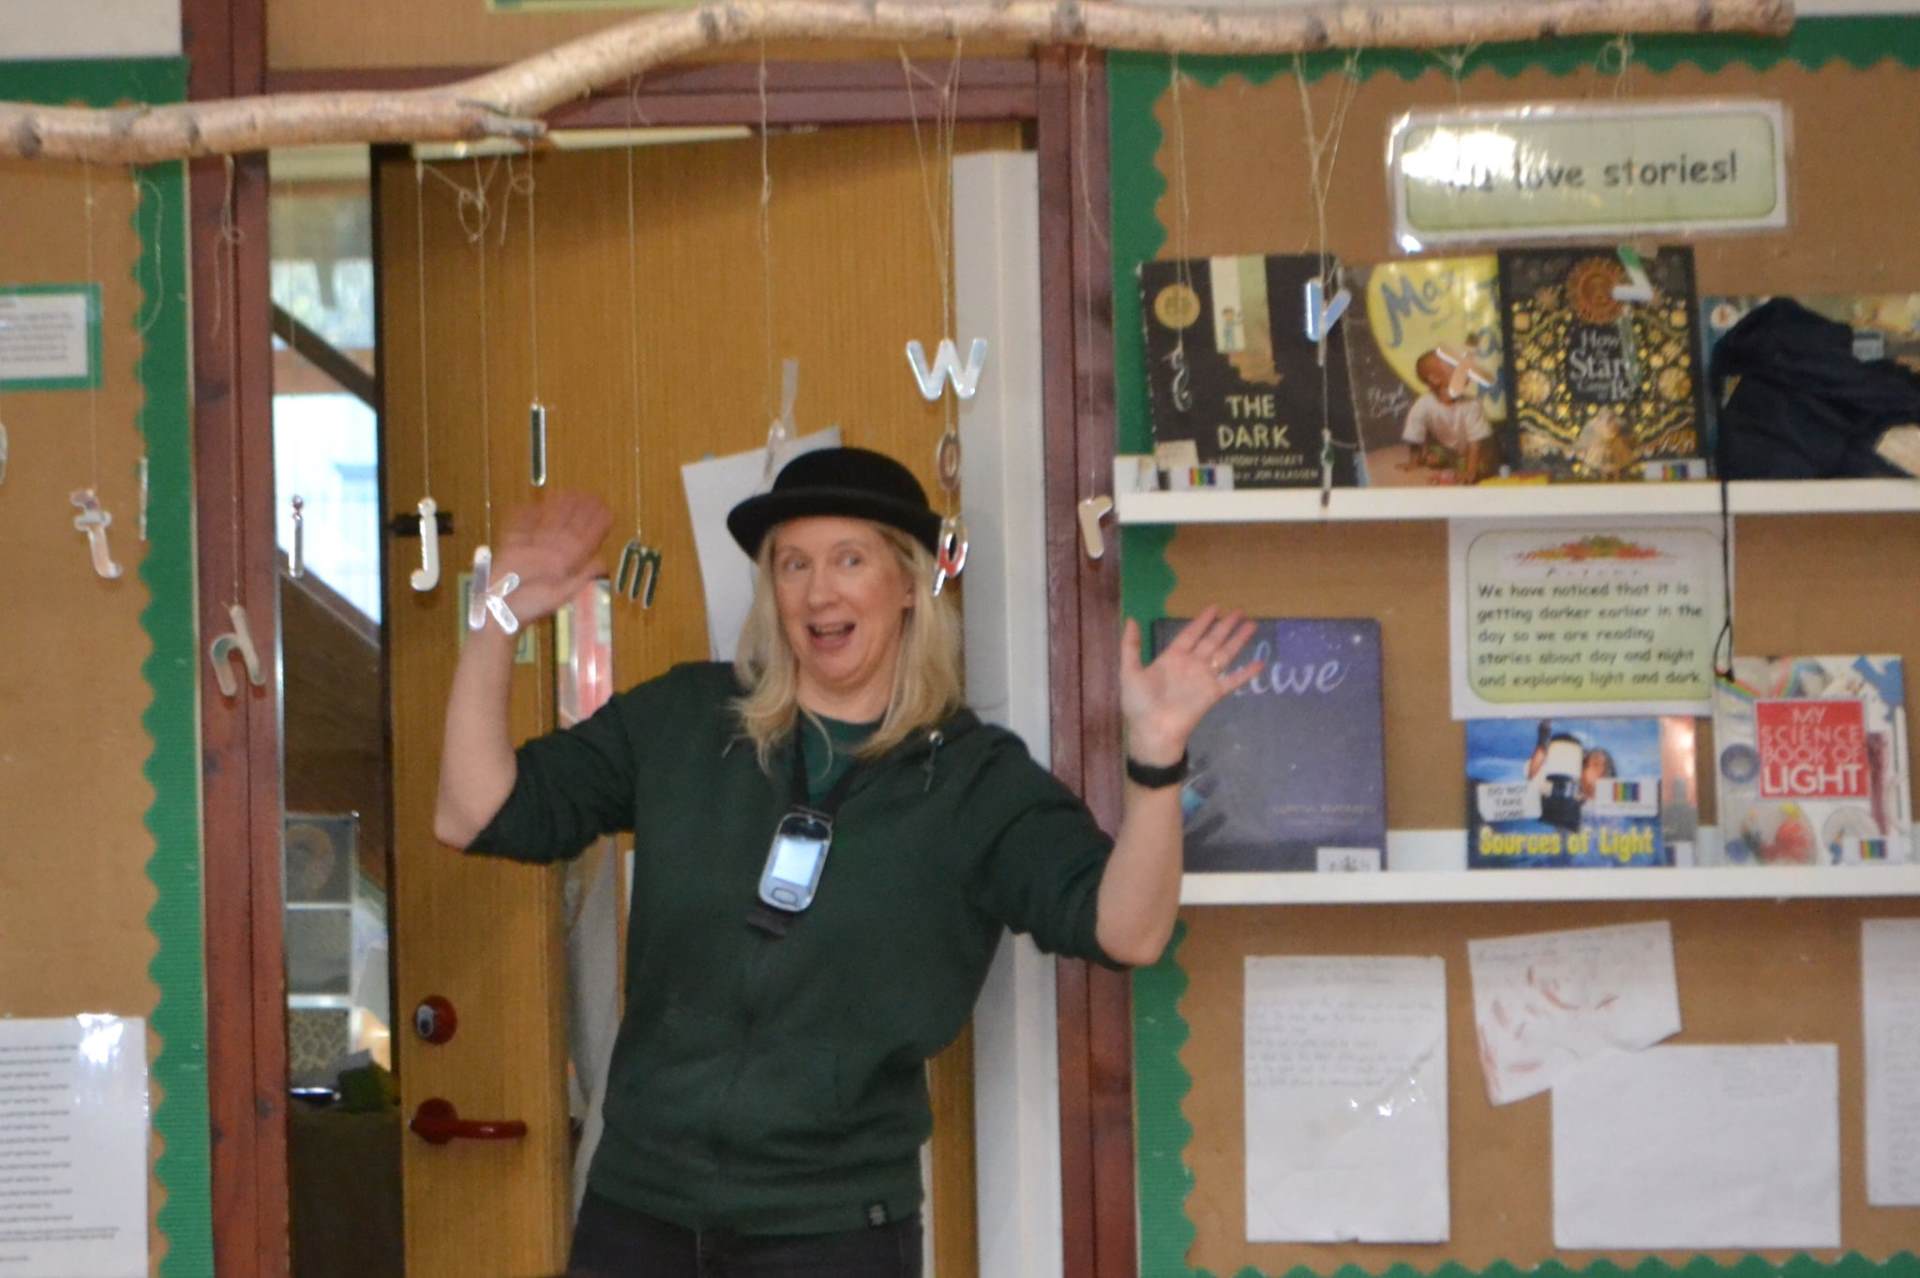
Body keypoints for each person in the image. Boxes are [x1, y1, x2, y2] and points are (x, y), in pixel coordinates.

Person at [433, 446, 1259, 1278]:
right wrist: (495, 620)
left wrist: (1156, 763)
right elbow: (472, 812)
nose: (819, 592)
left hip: (831, 1234)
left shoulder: (974, 781)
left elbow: (1128, 929)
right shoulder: (686, 721)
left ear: (908, 584)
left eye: (849, 559)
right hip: (638, 1218)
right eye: (793, 564)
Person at [1400, 348, 1494, 482]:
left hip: (1469, 450)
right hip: (1446, 448)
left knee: (1482, 466)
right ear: (1435, 379)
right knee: (1432, 457)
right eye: (1455, 366)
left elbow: (1475, 444)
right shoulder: (1423, 404)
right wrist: (1413, 461)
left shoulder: (1472, 405)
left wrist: (1470, 471)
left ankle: (1460, 463)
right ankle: (1445, 459)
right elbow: (1415, 433)